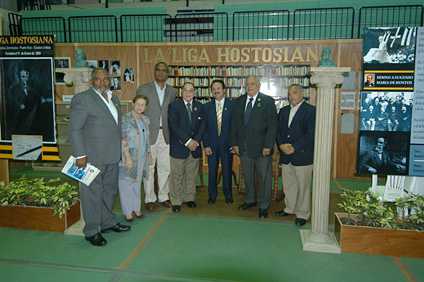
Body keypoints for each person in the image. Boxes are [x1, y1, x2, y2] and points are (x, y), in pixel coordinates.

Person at [68, 68, 130, 247]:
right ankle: (92, 230)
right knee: (92, 194)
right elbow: (74, 129)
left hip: (111, 155)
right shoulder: (82, 99)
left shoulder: (114, 99)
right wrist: (80, 156)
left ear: (109, 81)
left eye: (105, 79)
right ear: (91, 81)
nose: (102, 83)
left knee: (109, 191)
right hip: (91, 157)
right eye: (98, 79)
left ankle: (108, 222)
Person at [229, 76, 278, 219]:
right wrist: (235, 143)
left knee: (264, 178)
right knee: (248, 177)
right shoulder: (239, 101)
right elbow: (235, 124)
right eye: (247, 84)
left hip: (262, 148)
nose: (249, 86)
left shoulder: (267, 101)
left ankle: (263, 206)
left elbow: (273, 125)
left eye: (252, 84)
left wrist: (268, 145)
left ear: (259, 85)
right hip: (243, 147)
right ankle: (250, 200)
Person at [136, 62, 176, 211]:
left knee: (165, 167)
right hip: (149, 134)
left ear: (167, 74)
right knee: (149, 167)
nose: (161, 73)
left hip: (165, 134)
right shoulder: (144, 88)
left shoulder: (172, 91)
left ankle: (164, 196)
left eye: (164, 70)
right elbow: (138, 111)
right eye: (158, 70)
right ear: (154, 72)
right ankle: (149, 198)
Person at [275, 84, 316, 227]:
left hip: (302, 155)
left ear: (302, 93)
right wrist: (281, 145)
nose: (291, 96)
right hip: (286, 155)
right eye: (289, 93)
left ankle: (303, 213)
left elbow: (311, 133)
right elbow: (278, 131)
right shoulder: (284, 111)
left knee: (303, 186)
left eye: (294, 92)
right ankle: (290, 208)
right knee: (288, 183)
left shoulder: (311, 111)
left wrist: (294, 147)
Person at [168, 82, 206, 213]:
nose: (188, 92)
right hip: (179, 147)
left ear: (195, 92)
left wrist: (195, 141)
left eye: (191, 90)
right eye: (186, 90)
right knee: (176, 175)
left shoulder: (200, 106)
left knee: (191, 175)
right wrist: (188, 141)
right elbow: (173, 126)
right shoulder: (174, 106)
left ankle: (189, 198)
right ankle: (176, 201)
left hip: (194, 148)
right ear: (182, 92)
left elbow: (203, 126)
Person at [118, 95, 153, 222]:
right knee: (126, 184)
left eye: (143, 105)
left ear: (146, 107)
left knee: (137, 183)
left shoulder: (145, 119)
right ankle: (128, 212)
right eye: (137, 104)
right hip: (129, 156)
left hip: (141, 156)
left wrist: (149, 154)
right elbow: (122, 139)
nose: (140, 107)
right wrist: (128, 158)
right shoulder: (125, 119)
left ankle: (136, 208)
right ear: (133, 104)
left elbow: (147, 139)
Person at [203, 80, 234, 205]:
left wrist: (234, 143)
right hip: (212, 145)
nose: (216, 91)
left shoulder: (233, 105)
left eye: (218, 88)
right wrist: (206, 145)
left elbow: (235, 126)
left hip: (227, 144)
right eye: (213, 89)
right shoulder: (206, 107)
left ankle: (228, 195)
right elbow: (204, 128)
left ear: (224, 89)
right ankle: (212, 194)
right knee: (212, 172)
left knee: (227, 171)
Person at [6, 68, 42, 139]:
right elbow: (11, 100)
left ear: (27, 78)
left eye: (23, 77)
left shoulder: (31, 90)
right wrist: (19, 105)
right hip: (18, 121)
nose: (21, 79)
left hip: (30, 122)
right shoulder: (13, 89)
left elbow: (38, 99)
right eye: (20, 76)